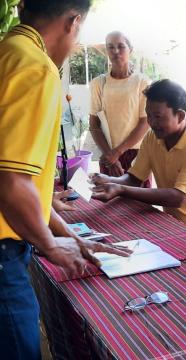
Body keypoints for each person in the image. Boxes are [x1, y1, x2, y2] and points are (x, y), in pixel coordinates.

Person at [0, 1, 131, 358]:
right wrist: (53, 245)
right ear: (72, 23)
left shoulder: (8, 52)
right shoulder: (35, 66)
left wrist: (71, 236)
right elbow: (12, 183)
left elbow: (26, 188)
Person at [91, 79, 186, 242]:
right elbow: (134, 178)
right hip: (171, 224)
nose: (151, 123)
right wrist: (109, 180)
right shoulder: (153, 137)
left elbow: (178, 198)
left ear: (180, 115)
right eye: (149, 115)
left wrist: (121, 189)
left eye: (158, 117)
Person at [89, 31, 151, 183]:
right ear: (106, 51)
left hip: (137, 156)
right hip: (108, 155)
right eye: (110, 47)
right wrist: (111, 155)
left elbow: (145, 123)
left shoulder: (142, 83)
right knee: (110, 204)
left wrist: (118, 152)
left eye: (121, 46)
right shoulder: (98, 84)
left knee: (139, 203)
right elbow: (94, 124)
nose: (115, 51)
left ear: (131, 50)